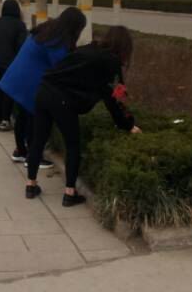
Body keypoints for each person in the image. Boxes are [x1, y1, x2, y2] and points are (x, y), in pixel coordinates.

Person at [26, 25, 141, 205]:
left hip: (43, 90)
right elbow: (115, 98)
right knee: (73, 145)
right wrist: (127, 124)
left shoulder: (89, 48)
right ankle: (69, 193)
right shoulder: (111, 62)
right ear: (125, 47)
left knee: (38, 139)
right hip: (62, 100)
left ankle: (31, 185)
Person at [0, 6, 86, 166]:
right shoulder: (57, 40)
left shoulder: (47, 30)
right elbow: (61, 66)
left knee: (22, 117)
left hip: (18, 77)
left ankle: (21, 151)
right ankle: (33, 157)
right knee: (35, 120)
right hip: (30, 83)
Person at [0, 0, 28, 130]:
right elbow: (21, 46)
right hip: (6, 62)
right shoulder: (19, 25)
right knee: (8, 90)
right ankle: (5, 120)